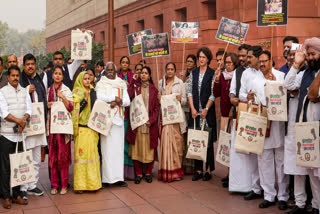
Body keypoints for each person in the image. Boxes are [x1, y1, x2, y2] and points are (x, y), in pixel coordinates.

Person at [247, 50, 289, 210]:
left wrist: (274, 84)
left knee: (281, 162)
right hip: (262, 126)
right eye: (261, 62)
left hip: (278, 126)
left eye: (266, 61)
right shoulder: (254, 80)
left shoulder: (281, 76)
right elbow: (252, 102)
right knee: (264, 162)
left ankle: (283, 196)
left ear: (271, 61)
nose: (263, 64)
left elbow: (285, 97)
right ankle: (269, 195)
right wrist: (250, 99)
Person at [285, 37, 320, 214]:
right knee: (306, 169)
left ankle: (317, 206)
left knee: (318, 172)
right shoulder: (305, 73)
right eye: (309, 54)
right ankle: (307, 205)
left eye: (313, 54)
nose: (311, 58)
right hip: (305, 128)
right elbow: (288, 84)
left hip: (318, 130)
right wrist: (296, 65)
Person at [0, 65, 31, 209]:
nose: (15, 78)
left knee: (19, 166)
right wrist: (19, 121)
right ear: (8, 76)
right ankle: (6, 197)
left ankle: (17, 195)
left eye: (17, 75)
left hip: (20, 135)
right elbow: (4, 113)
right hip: (7, 135)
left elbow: (29, 109)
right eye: (13, 75)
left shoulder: (25, 92)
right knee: (5, 168)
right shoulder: (2, 92)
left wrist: (24, 119)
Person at [96, 61, 130, 187]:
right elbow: (99, 96)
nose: (110, 71)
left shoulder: (121, 83)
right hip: (106, 120)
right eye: (108, 69)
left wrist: (120, 101)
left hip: (119, 120)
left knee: (118, 149)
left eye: (112, 69)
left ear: (116, 71)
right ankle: (107, 179)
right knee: (106, 150)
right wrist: (112, 99)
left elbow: (127, 100)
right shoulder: (101, 83)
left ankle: (118, 178)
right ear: (105, 71)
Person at [283, 45, 308, 214]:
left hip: (311, 123)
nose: (293, 58)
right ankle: (300, 202)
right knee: (298, 167)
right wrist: (296, 66)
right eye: (291, 55)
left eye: (297, 55)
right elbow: (288, 84)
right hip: (295, 122)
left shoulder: (311, 72)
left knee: (313, 170)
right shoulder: (301, 72)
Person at [19, 54, 47, 199]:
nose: (30, 66)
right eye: (27, 64)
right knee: (26, 157)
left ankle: (32, 185)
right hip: (27, 125)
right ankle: (23, 187)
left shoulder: (38, 79)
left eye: (32, 64)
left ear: (35, 65)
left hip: (39, 125)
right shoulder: (20, 80)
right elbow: (14, 96)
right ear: (23, 66)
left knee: (36, 158)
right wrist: (25, 91)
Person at [187, 47, 217, 181]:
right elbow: (189, 92)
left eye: (203, 57)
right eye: (199, 57)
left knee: (208, 141)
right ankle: (198, 169)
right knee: (196, 140)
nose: (201, 59)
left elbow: (213, 93)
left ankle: (208, 170)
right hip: (195, 113)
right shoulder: (193, 72)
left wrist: (206, 109)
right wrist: (193, 109)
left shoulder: (212, 73)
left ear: (208, 59)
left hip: (207, 113)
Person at [238, 45, 264, 200]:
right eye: (246, 57)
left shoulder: (266, 72)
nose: (247, 60)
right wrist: (246, 97)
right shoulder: (246, 73)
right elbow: (241, 93)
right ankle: (256, 188)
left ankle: (270, 190)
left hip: (265, 116)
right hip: (250, 115)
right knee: (252, 152)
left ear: (257, 57)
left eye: (250, 57)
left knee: (266, 155)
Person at [126, 66, 159, 184]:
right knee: (137, 149)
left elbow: (156, 108)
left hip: (149, 125)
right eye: (142, 73)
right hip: (137, 123)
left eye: (146, 73)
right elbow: (129, 95)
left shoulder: (154, 90)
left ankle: (148, 172)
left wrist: (152, 120)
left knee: (150, 149)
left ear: (149, 75)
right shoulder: (136, 87)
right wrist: (133, 81)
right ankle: (139, 174)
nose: (143, 75)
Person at [228, 44, 254, 193]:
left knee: (250, 150)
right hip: (239, 113)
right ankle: (238, 186)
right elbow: (232, 90)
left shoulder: (255, 72)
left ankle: (252, 186)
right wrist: (232, 98)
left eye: (245, 56)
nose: (242, 59)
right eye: (240, 56)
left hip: (252, 116)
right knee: (237, 150)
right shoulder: (237, 71)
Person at [72, 72, 101, 193]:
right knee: (81, 157)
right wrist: (84, 98)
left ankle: (93, 184)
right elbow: (74, 110)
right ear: (80, 79)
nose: (87, 81)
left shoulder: (94, 91)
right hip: (82, 129)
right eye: (85, 79)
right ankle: (80, 185)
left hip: (92, 129)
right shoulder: (76, 92)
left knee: (93, 157)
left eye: (89, 79)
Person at [47, 66, 73, 195]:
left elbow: (71, 107)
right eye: (55, 73)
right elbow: (45, 107)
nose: (57, 76)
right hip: (52, 129)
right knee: (53, 157)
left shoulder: (66, 90)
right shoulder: (49, 90)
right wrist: (48, 105)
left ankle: (64, 185)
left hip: (63, 129)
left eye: (60, 74)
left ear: (63, 76)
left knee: (63, 157)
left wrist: (63, 97)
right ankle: (54, 185)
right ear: (52, 75)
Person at [158, 62, 186, 182]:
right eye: (168, 69)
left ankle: (177, 171)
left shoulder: (180, 83)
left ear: (175, 71)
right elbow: (159, 101)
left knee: (178, 145)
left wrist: (181, 99)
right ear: (165, 70)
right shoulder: (161, 83)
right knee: (166, 145)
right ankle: (166, 170)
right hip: (165, 119)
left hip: (177, 119)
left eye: (171, 69)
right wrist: (159, 98)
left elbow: (185, 100)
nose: (169, 71)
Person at [117, 56, 135, 180]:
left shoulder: (133, 76)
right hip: (119, 114)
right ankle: (120, 172)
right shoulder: (116, 77)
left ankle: (130, 172)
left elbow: (133, 94)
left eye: (126, 63)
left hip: (131, 113)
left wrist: (129, 85)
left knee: (129, 142)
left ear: (129, 64)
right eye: (122, 62)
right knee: (120, 143)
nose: (124, 64)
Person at [182, 54, 197, 175]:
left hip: (193, 109)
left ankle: (192, 165)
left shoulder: (196, 75)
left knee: (192, 136)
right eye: (187, 61)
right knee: (184, 136)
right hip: (183, 110)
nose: (188, 63)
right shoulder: (183, 76)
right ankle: (184, 163)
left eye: (191, 61)